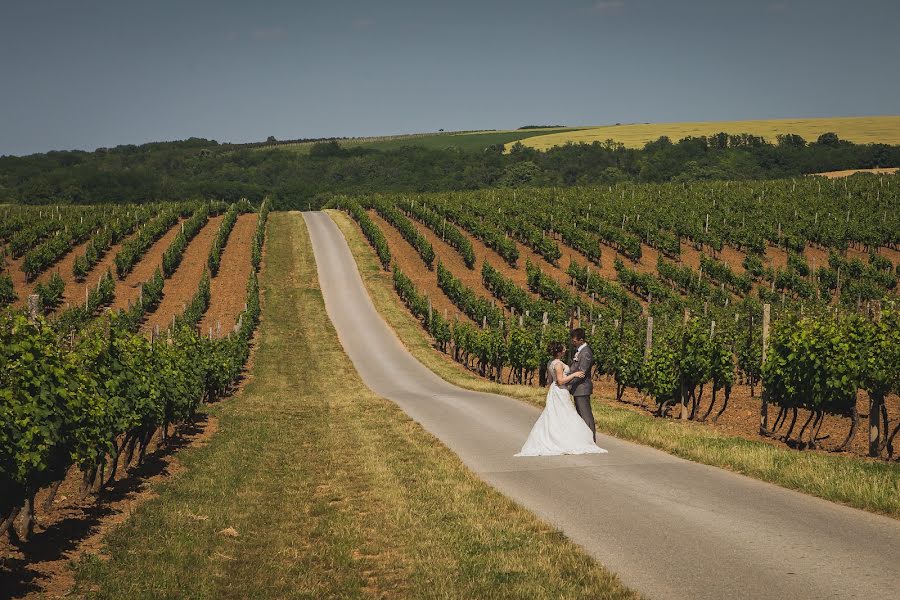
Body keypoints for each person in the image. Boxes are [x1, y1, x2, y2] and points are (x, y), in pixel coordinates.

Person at [515, 341, 607, 457]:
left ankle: (561, 437)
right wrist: (574, 375)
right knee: (566, 414)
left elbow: (550, 380)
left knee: (556, 414)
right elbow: (560, 381)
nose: (565, 349)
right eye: (563, 348)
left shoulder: (550, 362)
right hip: (560, 390)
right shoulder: (558, 364)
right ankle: (566, 441)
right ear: (559, 352)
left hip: (554, 390)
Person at [567, 328, 597, 441]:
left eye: (574, 340)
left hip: (582, 388)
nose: (572, 342)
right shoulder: (579, 351)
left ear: (581, 339)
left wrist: (567, 382)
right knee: (580, 415)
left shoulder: (586, 353)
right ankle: (583, 439)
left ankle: (591, 440)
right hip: (577, 389)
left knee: (586, 415)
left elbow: (582, 373)